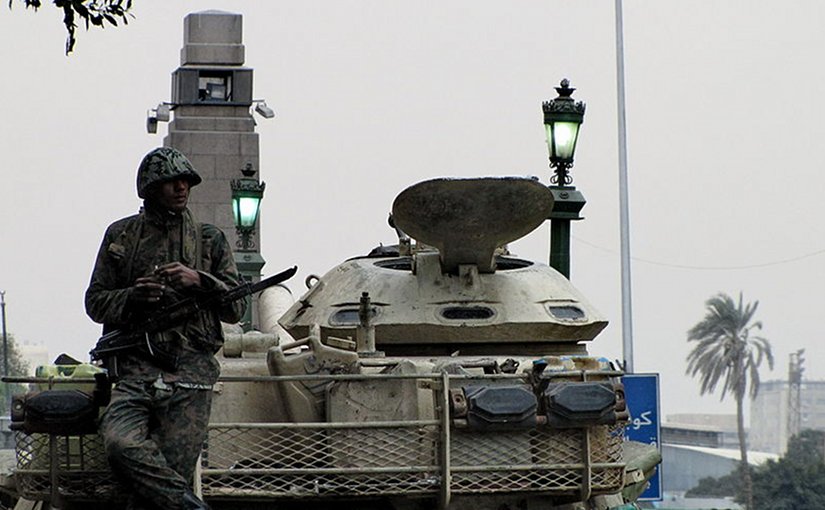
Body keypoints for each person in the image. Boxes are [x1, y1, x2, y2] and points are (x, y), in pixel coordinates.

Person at [85, 147, 246, 510]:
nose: (181, 188)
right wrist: (133, 296)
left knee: (163, 477)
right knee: (120, 444)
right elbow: (95, 302)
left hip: (191, 376)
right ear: (151, 187)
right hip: (136, 371)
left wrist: (199, 280)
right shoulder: (121, 237)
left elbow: (237, 308)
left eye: (185, 181)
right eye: (171, 181)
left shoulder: (209, 240)